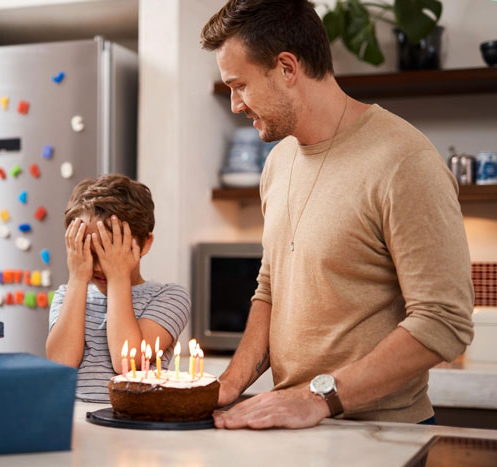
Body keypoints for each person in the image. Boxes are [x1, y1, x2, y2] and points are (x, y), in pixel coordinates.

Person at [200, 0, 474, 429]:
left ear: (288, 68)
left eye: (241, 86)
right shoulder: (278, 161)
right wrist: (228, 385)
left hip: (381, 435)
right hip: (294, 426)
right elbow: (270, 290)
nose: (235, 105)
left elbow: (443, 322)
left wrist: (316, 398)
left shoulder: (404, 160)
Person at [46, 174, 190, 402]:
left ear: (146, 243)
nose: (98, 265)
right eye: (88, 251)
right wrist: (77, 279)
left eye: (110, 250)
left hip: (136, 421)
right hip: (76, 420)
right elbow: (60, 364)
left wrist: (118, 278)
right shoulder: (68, 294)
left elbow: (125, 363)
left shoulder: (170, 297)